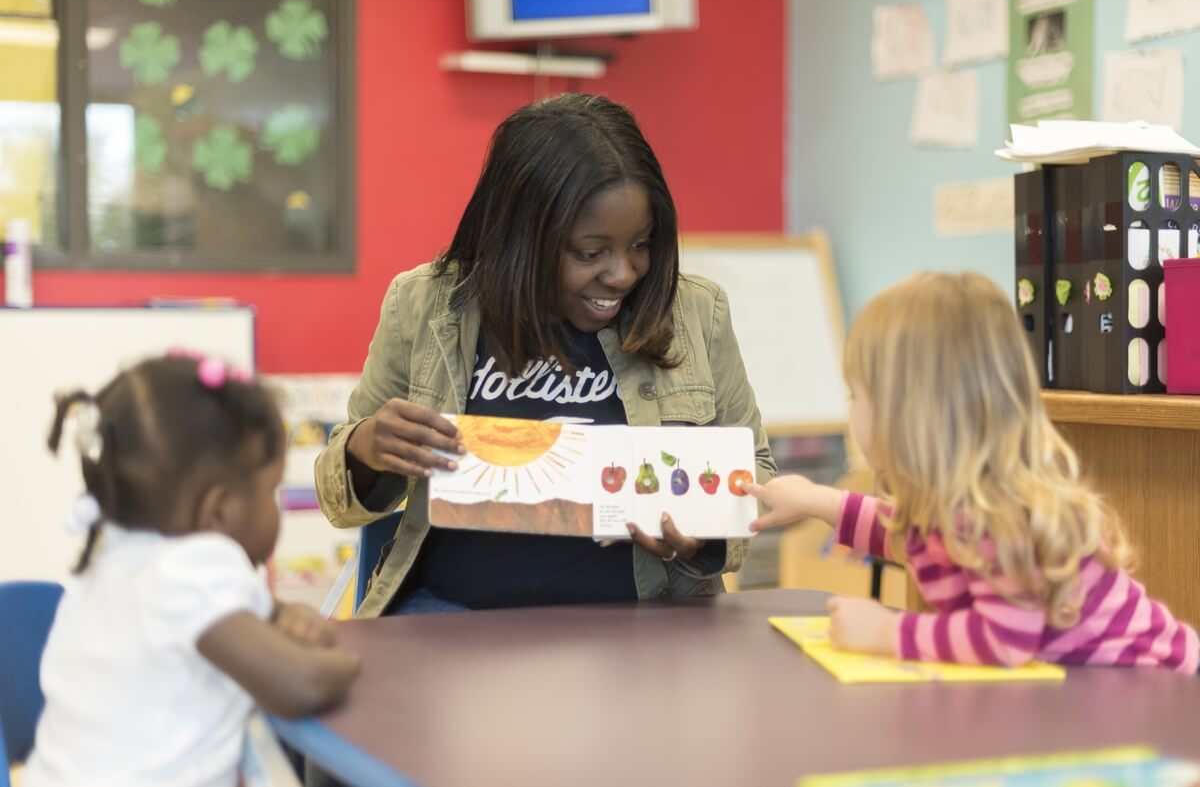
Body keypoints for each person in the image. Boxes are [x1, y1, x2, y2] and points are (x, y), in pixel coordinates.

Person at [316, 92, 776, 617]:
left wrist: (702, 535)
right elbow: (339, 501)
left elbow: (755, 472)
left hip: (641, 630)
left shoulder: (695, 311)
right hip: (455, 625)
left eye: (641, 244)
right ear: (519, 238)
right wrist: (368, 450)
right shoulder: (423, 305)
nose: (623, 274)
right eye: (590, 253)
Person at [746, 272, 1199, 674]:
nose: (850, 411)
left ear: (907, 413)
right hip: (1087, 690)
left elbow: (1004, 641)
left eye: (855, 397)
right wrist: (814, 500)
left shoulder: (998, 510)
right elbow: (901, 535)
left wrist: (889, 632)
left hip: (1152, 687)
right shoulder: (951, 500)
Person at [24, 353, 362, 787]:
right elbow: (303, 686)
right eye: (271, 490)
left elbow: (217, 611)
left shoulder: (116, 552)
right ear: (219, 510)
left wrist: (277, 615)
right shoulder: (193, 573)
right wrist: (350, 666)